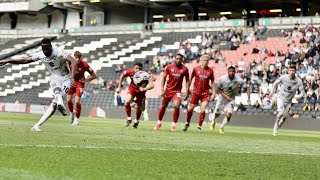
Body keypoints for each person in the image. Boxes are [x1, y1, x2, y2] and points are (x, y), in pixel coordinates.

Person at [0, 38, 77, 132]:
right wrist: (8, 61)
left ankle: (37, 125)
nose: (45, 51)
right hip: (55, 77)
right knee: (57, 93)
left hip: (66, 79)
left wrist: (72, 77)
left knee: (53, 105)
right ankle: (60, 103)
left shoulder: (59, 51)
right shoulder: (40, 55)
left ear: (51, 46)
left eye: (47, 49)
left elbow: (73, 61)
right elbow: (25, 60)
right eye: (43, 49)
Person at [153, 53, 190, 132]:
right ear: (175, 59)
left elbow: (187, 80)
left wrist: (187, 91)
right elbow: (163, 77)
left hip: (177, 91)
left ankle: (173, 125)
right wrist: (162, 89)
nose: (178, 60)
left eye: (180, 59)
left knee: (176, 105)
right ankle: (159, 123)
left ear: (182, 59)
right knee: (163, 105)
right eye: (177, 59)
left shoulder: (185, 69)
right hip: (168, 90)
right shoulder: (169, 67)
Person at [210, 66, 250, 134]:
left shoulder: (239, 80)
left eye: (233, 71)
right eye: (230, 71)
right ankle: (213, 121)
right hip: (222, 98)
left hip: (231, 99)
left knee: (228, 116)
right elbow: (218, 88)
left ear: (235, 72)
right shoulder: (223, 79)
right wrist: (225, 96)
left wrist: (248, 97)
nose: (231, 73)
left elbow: (247, 87)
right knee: (217, 114)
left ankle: (222, 127)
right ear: (228, 72)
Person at [116, 62, 154, 129]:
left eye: (139, 68)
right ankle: (129, 119)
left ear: (142, 69)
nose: (138, 70)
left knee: (138, 107)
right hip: (132, 89)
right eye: (136, 68)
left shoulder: (146, 74)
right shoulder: (130, 72)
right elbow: (122, 76)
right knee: (127, 101)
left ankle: (136, 121)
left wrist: (144, 88)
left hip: (141, 92)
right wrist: (119, 87)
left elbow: (152, 85)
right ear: (134, 68)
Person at [183, 54, 215, 132]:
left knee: (203, 110)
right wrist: (187, 90)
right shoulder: (195, 69)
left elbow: (213, 82)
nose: (205, 62)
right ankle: (187, 123)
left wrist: (213, 93)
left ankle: (199, 127)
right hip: (196, 93)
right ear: (201, 60)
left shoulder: (210, 71)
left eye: (207, 61)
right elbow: (190, 79)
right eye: (204, 60)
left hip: (205, 93)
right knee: (190, 109)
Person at [272, 64, 305, 136]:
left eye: (293, 70)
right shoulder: (284, 77)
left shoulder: (298, 81)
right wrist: (273, 90)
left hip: (288, 101)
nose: (291, 72)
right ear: (288, 70)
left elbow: (302, 93)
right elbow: (275, 83)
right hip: (280, 98)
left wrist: (297, 96)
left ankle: (278, 126)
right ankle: (275, 128)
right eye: (290, 70)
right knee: (280, 113)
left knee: (284, 117)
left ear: (295, 71)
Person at [67, 51, 97, 126]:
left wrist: (86, 80)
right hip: (72, 82)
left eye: (78, 58)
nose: (77, 59)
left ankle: (77, 120)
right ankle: (71, 113)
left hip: (80, 83)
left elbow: (94, 76)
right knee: (69, 100)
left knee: (77, 101)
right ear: (74, 57)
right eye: (75, 58)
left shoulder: (85, 65)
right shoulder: (70, 62)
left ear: (80, 58)